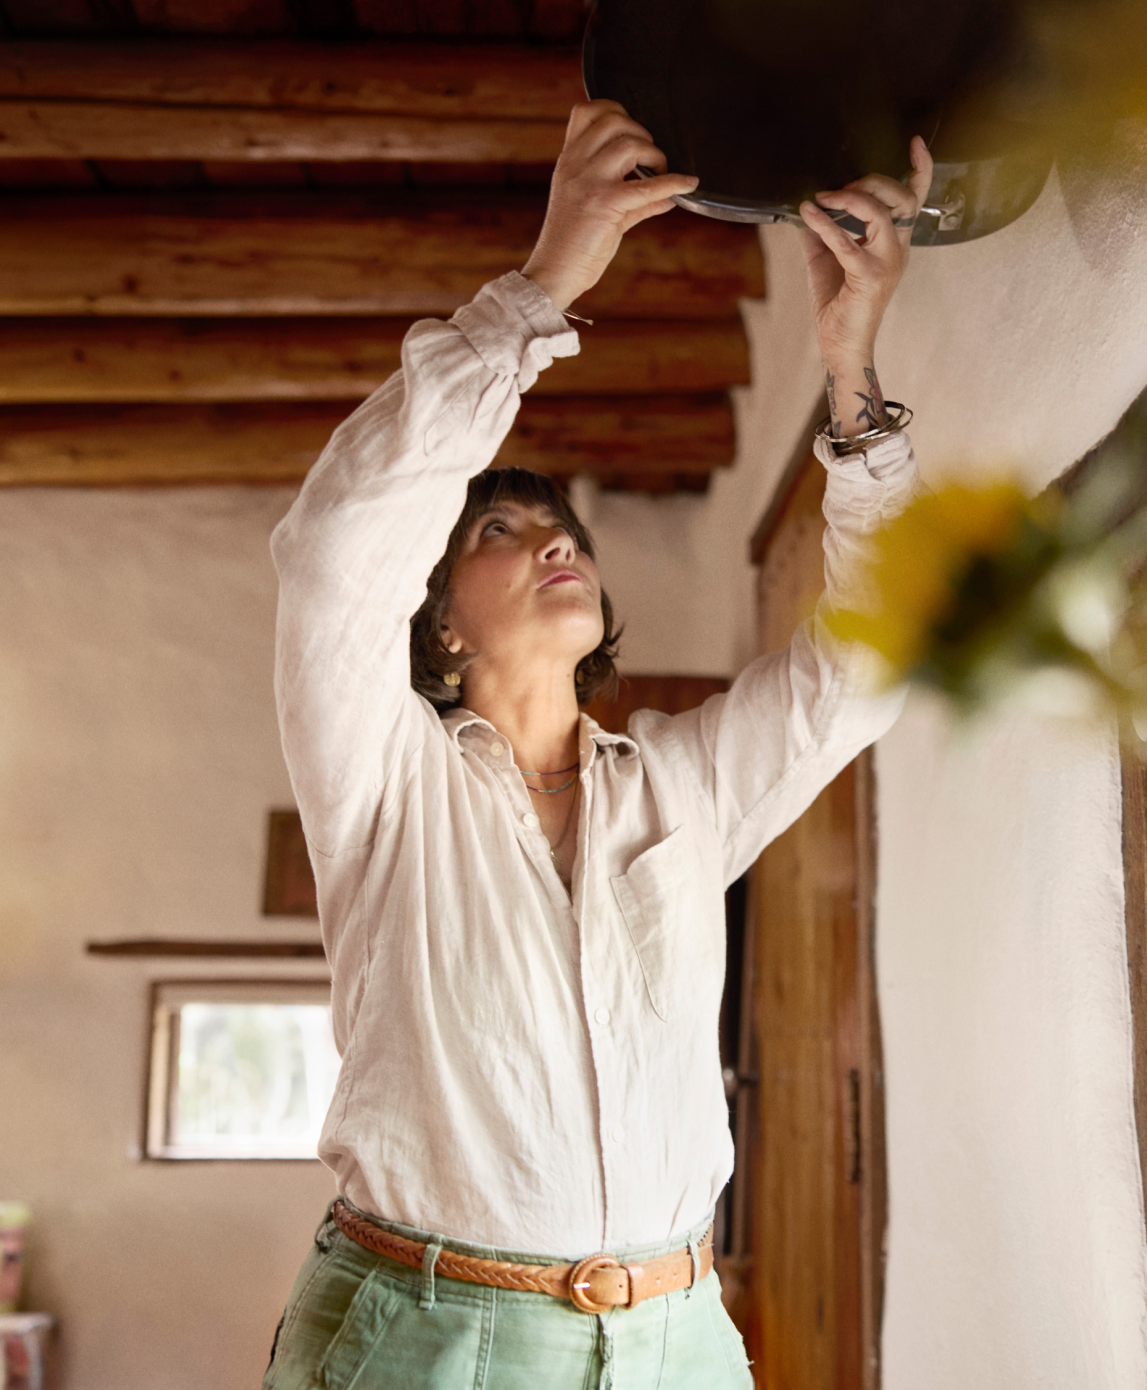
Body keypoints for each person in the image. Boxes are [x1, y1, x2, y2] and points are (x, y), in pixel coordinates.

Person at [264, 100, 931, 1390]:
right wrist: (541, 288)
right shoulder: (385, 783)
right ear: (437, 627)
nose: (555, 537)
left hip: (679, 1336)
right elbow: (336, 555)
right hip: (428, 1334)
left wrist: (849, 363)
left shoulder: (679, 787)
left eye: (562, 523)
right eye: (499, 532)